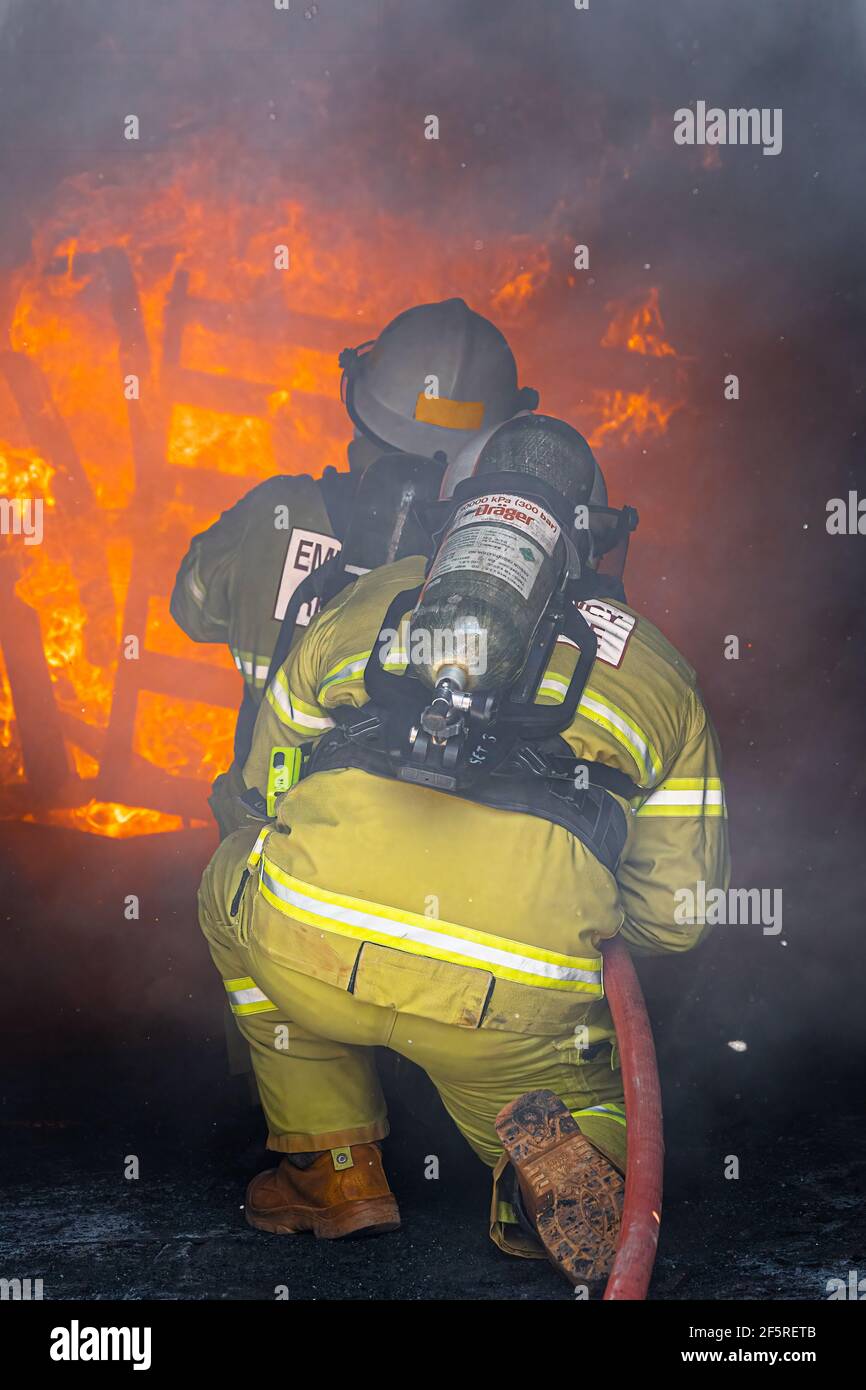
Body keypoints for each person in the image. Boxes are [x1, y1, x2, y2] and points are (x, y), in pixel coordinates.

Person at [197, 413, 730, 1290]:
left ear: (453, 516)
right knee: (577, 1091)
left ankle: (332, 1171)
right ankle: (542, 1174)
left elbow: (263, 791)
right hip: (506, 995)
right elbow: (677, 921)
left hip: (309, 946)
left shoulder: (375, 598)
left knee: (231, 883)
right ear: (592, 542)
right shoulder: (659, 672)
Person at [170, 298, 538, 837]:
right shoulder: (514, 568)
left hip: (268, 834)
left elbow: (192, 611)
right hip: (439, 854)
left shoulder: (274, 515)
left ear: (360, 403)